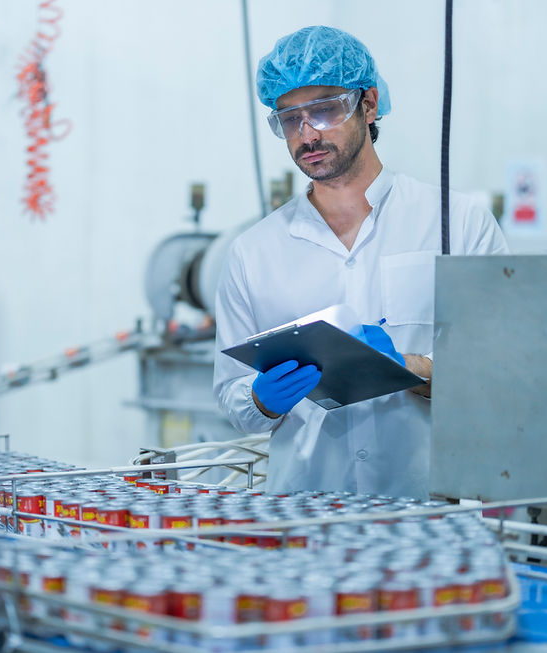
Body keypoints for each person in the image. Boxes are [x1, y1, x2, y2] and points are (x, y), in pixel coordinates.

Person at [213, 26, 508, 497]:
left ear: (368, 104)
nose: (308, 133)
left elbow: (503, 367)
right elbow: (233, 396)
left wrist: (415, 368)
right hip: (307, 512)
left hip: (432, 511)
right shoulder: (254, 252)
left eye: (325, 109)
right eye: (290, 118)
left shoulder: (458, 222)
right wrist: (261, 400)